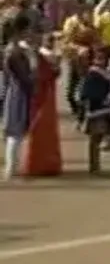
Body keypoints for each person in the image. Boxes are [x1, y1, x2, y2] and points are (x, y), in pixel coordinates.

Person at [23, 33, 63, 177]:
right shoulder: (37, 56)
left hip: (45, 97)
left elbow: (54, 73)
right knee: (41, 131)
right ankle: (42, 164)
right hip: (41, 98)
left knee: (44, 132)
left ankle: (44, 164)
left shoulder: (41, 56)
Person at [2, 15, 34, 180]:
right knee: (15, 131)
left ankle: (11, 168)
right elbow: (24, 77)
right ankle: (10, 169)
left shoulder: (12, 49)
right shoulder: (15, 52)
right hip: (17, 92)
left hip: (12, 90)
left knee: (13, 131)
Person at [79, 47, 110, 176]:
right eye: (97, 58)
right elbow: (86, 94)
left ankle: (95, 166)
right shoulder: (93, 74)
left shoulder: (103, 73)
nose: (99, 61)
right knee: (95, 139)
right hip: (96, 111)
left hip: (103, 110)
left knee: (98, 139)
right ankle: (94, 167)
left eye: (102, 58)